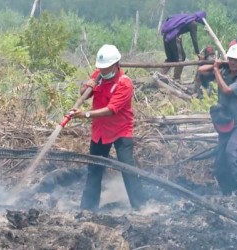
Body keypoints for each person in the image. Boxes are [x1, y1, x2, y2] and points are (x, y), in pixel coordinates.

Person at [71, 44, 147, 211]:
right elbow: (86, 93)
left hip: (121, 131)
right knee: (94, 169)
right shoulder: (98, 75)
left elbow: (111, 110)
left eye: (106, 68)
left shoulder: (124, 83)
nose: (103, 71)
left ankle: (141, 207)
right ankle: (88, 209)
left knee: (127, 169)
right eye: (101, 68)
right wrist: (86, 86)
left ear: (116, 64)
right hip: (100, 132)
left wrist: (86, 115)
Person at [212, 43, 237, 195]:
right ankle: (227, 192)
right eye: (231, 59)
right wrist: (217, 65)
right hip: (226, 122)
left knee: (232, 153)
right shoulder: (225, 71)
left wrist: (216, 69)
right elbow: (201, 71)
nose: (233, 62)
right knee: (220, 159)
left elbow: (227, 90)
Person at [160, 11, 206, 82]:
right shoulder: (193, 23)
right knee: (181, 58)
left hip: (166, 36)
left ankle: (160, 76)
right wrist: (198, 53)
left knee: (170, 58)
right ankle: (176, 79)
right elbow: (194, 39)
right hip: (173, 37)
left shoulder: (186, 18)